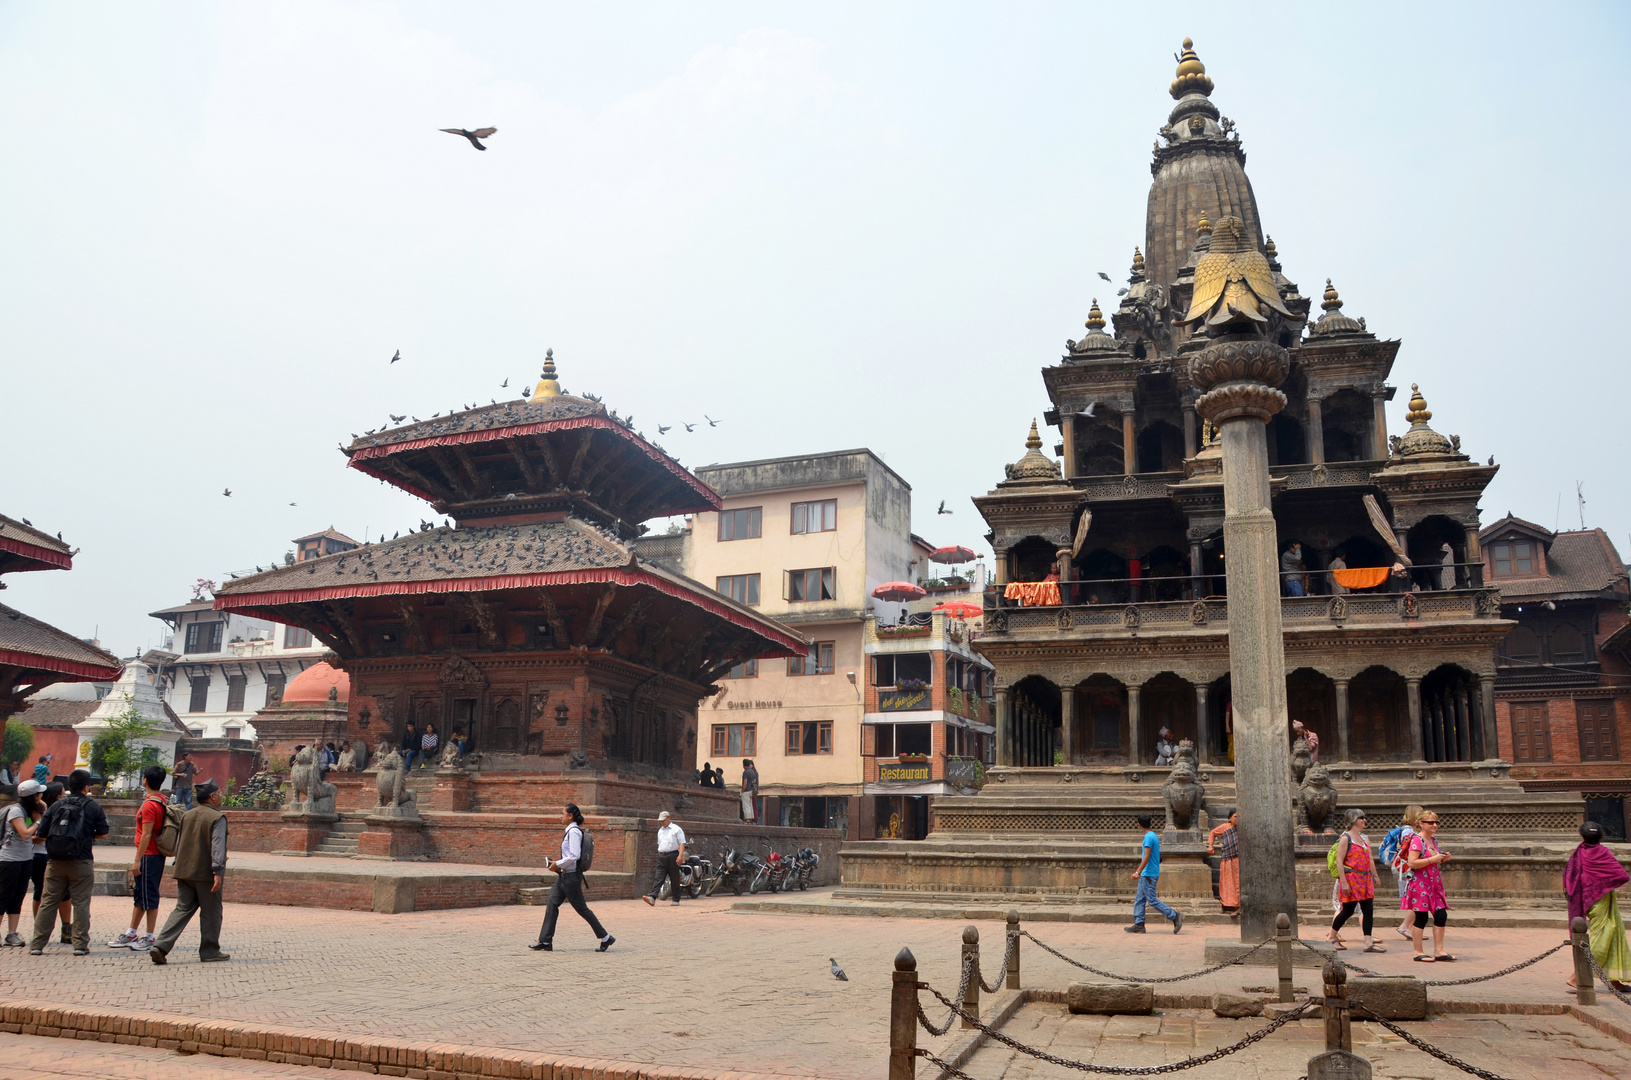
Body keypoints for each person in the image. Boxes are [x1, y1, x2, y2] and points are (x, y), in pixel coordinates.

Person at [27, 769, 109, 955]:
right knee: (81, 903)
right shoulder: (93, 806)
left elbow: (42, 833)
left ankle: (38, 944)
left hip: (55, 861)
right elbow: (103, 833)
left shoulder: (56, 806)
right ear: (87, 787)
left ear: (68, 786)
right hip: (81, 860)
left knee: (48, 902)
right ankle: (79, 945)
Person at [149, 781, 230, 964]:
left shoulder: (187, 815)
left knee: (182, 909)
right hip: (205, 872)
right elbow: (217, 846)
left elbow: (180, 843)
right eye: (219, 792)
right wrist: (218, 871)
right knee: (211, 911)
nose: (220, 796)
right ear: (212, 796)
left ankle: (160, 945)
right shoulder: (217, 818)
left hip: (184, 870)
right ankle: (210, 951)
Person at [529, 804, 614, 953]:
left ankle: (606, 937)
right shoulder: (570, 831)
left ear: (570, 816)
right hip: (564, 876)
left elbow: (574, 856)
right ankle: (545, 941)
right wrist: (557, 864)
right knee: (552, 902)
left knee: (582, 909)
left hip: (571, 878)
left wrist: (557, 863)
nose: (560, 816)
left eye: (562, 813)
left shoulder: (573, 832)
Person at [1564, 822, 1631, 993]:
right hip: (1599, 900)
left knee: (1614, 932)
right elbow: (1621, 875)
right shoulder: (1602, 852)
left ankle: (1615, 980)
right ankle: (1577, 977)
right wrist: (1605, 883)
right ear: (1601, 835)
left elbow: (1569, 876)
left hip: (1586, 899)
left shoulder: (1579, 853)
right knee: (1603, 936)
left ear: (1582, 836)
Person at [108, 765, 169, 951]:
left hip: (149, 855)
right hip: (152, 855)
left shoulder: (150, 805)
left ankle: (149, 936)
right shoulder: (160, 800)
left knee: (149, 896)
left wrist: (137, 859)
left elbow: (146, 834)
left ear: (144, 780)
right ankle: (131, 932)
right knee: (140, 895)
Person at [1328, 809, 1384, 953]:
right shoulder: (1346, 838)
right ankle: (1332, 936)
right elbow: (1339, 861)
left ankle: (1367, 942)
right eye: (1361, 818)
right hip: (1352, 878)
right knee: (1347, 910)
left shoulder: (1363, 838)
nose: (1364, 820)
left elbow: (1370, 858)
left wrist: (1375, 875)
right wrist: (1344, 882)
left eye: (1365, 817)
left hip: (1365, 878)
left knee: (1368, 909)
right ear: (1353, 820)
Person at [1401, 809, 1452, 962]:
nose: (1434, 825)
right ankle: (1418, 952)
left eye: (1436, 822)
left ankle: (1439, 950)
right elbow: (1412, 862)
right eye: (1430, 822)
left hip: (1434, 883)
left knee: (1441, 915)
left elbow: (1433, 859)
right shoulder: (1417, 840)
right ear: (1421, 824)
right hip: (1420, 884)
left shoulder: (1433, 840)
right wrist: (1434, 859)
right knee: (1421, 917)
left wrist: (1443, 858)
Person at [0, 780, 44, 945]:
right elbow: (25, 833)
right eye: (38, 794)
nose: (41, 796)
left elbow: (43, 807)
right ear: (32, 796)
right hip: (10, 860)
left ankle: (12, 933)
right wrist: (38, 821)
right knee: (4, 896)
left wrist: (38, 808)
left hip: (25, 858)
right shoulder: (16, 811)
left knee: (17, 897)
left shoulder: (30, 810)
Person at [1126, 814, 1182, 934]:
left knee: (1151, 900)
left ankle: (1174, 915)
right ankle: (1139, 923)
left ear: (1139, 825)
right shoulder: (1153, 836)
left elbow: (1146, 856)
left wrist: (1137, 872)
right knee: (1140, 899)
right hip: (1148, 873)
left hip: (1148, 873)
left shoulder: (1148, 838)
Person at [30, 782, 69, 944]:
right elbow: (31, 835)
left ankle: (66, 929)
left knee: (65, 894)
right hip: (39, 855)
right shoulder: (35, 812)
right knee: (41, 891)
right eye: (61, 793)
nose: (64, 796)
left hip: (57, 855)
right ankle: (39, 928)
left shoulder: (64, 811)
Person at [1384, 805, 1423, 940]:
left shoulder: (1408, 831)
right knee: (1418, 899)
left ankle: (1412, 929)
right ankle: (1405, 926)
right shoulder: (1409, 833)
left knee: (1417, 898)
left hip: (1407, 868)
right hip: (1408, 869)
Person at [643, 810, 686, 907]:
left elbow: (682, 843)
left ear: (669, 818)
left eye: (663, 820)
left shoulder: (676, 829)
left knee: (674, 877)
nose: (662, 822)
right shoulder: (660, 831)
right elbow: (660, 843)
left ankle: (676, 899)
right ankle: (652, 897)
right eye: (661, 821)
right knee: (659, 877)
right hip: (662, 856)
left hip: (673, 855)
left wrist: (680, 856)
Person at [1206, 807, 1240, 917]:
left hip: (1239, 858)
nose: (1237, 819)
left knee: (1238, 882)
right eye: (1235, 817)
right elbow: (1213, 833)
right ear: (1230, 818)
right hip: (1227, 858)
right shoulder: (1225, 827)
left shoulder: (1242, 828)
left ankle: (1239, 906)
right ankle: (1230, 905)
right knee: (1227, 882)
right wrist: (1210, 845)